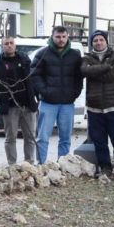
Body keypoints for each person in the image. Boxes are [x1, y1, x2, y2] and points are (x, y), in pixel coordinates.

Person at [81, 30, 114, 184]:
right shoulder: (86, 58)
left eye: (101, 39)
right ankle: (105, 168)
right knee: (100, 142)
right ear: (92, 43)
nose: (98, 42)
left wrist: (95, 72)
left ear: (106, 41)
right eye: (95, 40)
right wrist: (105, 67)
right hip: (94, 108)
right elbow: (85, 71)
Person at [31, 26, 83, 164]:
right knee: (43, 137)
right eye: (58, 37)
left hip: (67, 103)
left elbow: (79, 77)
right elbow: (34, 75)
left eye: (64, 37)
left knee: (65, 138)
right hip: (48, 103)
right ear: (52, 37)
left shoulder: (75, 55)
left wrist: (74, 93)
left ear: (67, 37)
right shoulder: (42, 53)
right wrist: (45, 91)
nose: (61, 40)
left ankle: (63, 165)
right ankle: (41, 165)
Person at [0, 36, 37, 165]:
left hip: (27, 105)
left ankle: (29, 163)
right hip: (9, 107)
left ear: (15, 45)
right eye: (6, 43)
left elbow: (33, 81)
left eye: (11, 43)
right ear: (2, 47)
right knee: (10, 138)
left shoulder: (25, 61)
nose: (9, 45)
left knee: (30, 137)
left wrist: (38, 98)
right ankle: (12, 165)